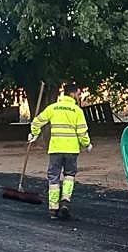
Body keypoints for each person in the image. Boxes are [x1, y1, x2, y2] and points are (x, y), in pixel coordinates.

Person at [29, 82, 91, 220]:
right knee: (69, 175)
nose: (79, 96)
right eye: (78, 94)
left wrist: (34, 133)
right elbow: (82, 132)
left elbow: (36, 122)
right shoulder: (77, 111)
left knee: (53, 177)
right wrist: (86, 144)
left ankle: (53, 209)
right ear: (72, 94)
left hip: (55, 149)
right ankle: (65, 201)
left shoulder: (53, 108)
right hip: (71, 150)